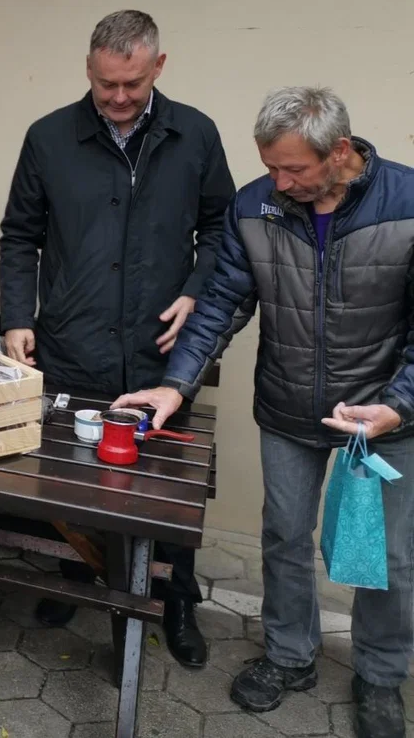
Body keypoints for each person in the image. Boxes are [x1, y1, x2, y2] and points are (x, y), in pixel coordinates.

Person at [114, 86, 414, 738]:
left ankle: (382, 674)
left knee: (388, 555)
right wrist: (176, 386)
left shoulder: (407, 202)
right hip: (288, 405)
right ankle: (289, 655)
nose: (278, 181)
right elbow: (221, 301)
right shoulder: (257, 207)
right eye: (270, 166)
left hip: (384, 414)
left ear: (339, 152)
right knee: (283, 535)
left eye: (293, 169)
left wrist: (399, 405)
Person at [0, 10, 236, 667]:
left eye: (132, 83)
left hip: (160, 355)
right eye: (107, 85)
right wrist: (17, 316)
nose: (120, 97)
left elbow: (222, 228)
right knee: (70, 484)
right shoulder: (49, 137)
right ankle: (77, 579)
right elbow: (20, 234)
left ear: (159, 67)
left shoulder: (196, 135)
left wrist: (197, 287)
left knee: (167, 497)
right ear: (88, 70)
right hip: (73, 346)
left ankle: (178, 603)